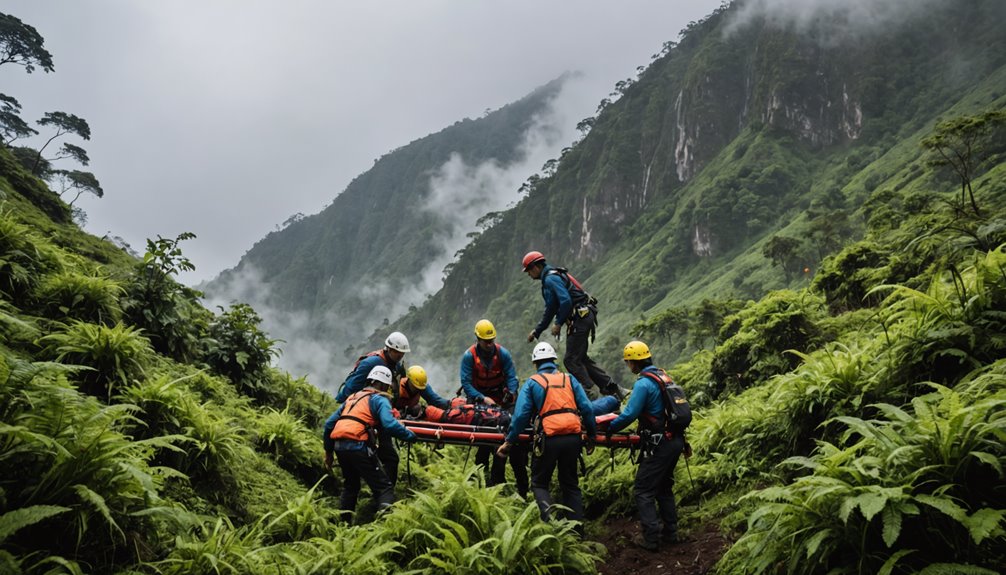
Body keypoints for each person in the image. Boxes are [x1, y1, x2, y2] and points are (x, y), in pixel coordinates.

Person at [496, 342, 596, 533]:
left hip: (549, 438)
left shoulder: (533, 382)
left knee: (540, 482)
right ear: (554, 361)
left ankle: (553, 530)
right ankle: (577, 532)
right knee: (570, 484)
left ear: (536, 363)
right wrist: (591, 436)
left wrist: (509, 442)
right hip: (573, 437)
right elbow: (588, 409)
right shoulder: (569, 379)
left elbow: (520, 416)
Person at [606, 340, 686, 551]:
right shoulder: (663, 376)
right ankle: (671, 532)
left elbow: (630, 414)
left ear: (633, 362)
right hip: (676, 439)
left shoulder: (643, 383)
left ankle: (651, 539)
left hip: (660, 443)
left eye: (628, 362)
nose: (628, 366)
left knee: (643, 489)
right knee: (663, 487)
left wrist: (611, 428)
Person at [323, 365, 417, 519]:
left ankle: (343, 527)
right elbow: (389, 424)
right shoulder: (379, 399)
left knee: (351, 486)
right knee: (384, 488)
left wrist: (328, 453)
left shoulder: (352, 398)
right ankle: (383, 527)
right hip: (358, 444)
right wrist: (410, 436)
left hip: (339, 446)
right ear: (384, 385)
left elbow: (328, 425)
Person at [521, 250, 616, 400]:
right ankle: (612, 389)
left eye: (528, 271)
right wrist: (537, 331)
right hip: (584, 316)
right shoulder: (551, 277)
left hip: (579, 317)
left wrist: (558, 323)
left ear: (535, 267)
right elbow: (551, 309)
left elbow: (565, 301)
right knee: (580, 358)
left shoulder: (550, 279)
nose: (529, 275)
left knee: (570, 360)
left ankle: (590, 393)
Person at [460, 319, 528, 497]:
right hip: (479, 399)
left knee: (512, 426)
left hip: (500, 398)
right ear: (478, 339)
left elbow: (512, 376)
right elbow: (466, 384)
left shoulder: (502, 353)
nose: (489, 344)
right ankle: (482, 477)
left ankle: (507, 479)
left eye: (491, 341)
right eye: (486, 341)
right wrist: (482, 398)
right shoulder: (469, 357)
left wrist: (511, 391)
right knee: (485, 439)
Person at [334, 331, 411, 485]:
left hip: (380, 414)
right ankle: (383, 493)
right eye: (398, 353)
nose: (400, 356)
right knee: (382, 457)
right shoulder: (371, 363)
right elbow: (350, 390)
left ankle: (383, 491)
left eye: (402, 353)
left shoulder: (396, 366)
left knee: (389, 458)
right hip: (364, 415)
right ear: (389, 349)